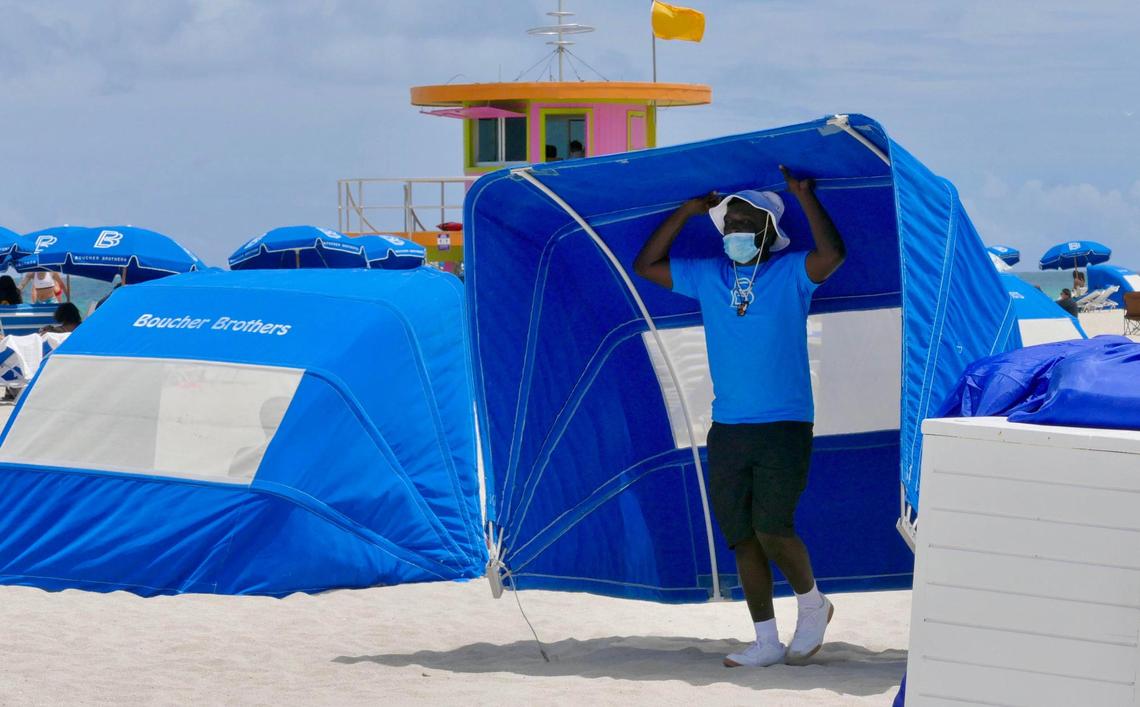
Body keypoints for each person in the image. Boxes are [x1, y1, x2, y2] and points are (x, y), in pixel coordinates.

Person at [633, 165, 846, 668]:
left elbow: (832, 255)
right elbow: (647, 264)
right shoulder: (708, 276)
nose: (734, 231)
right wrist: (687, 212)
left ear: (769, 232)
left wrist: (803, 197)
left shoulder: (791, 272)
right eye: (728, 224)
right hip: (727, 426)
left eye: (746, 223)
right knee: (743, 536)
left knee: (773, 527)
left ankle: (813, 605)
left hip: (784, 423)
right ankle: (766, 639)